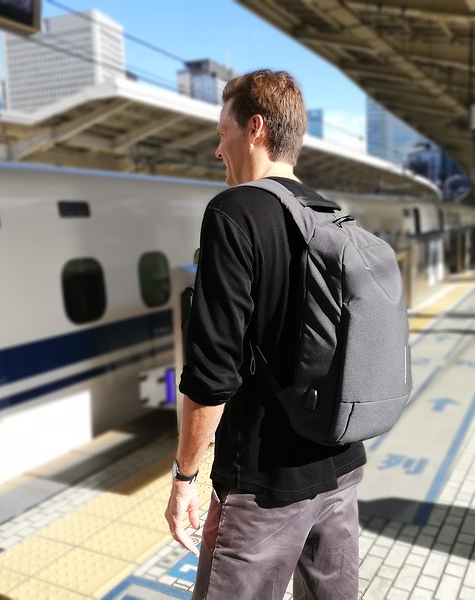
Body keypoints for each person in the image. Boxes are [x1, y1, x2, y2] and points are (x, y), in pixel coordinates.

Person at [164, 70, 366, 600]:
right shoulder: (331, 215)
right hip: (341, 469)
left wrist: (184, 478)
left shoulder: (232, 213)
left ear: (254, 128)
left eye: (221, 131)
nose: (216, 149)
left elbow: (211, 376)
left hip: (263, 485)